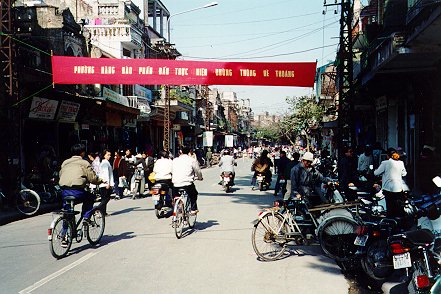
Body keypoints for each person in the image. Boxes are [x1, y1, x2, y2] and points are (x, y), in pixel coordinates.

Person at [59, 143, 103, 221]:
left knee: (67, 212)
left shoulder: (65, 163)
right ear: (82, 153)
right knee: (90, 197)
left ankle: (64, 231)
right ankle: (86, 218)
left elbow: (61, 175)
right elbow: (92, 178)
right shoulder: (84, 163)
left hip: (64, 191)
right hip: (77, 191)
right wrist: (100, 181)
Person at [374, 148, 408, 218]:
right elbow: (404, 174)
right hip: (398, 188)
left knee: (390, 207)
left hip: (388, 189)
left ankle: (391, 222)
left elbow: (376, 173)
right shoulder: (401, 163)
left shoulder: (385, 163)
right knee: (398, 206)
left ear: (387, 156)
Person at [172, 146, 203, 214]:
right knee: (194, 194)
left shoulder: (174, 160)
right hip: (187, 184)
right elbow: (198, 171)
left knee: (175, 196)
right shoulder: (192, 160)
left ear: (180, 151)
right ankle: (193, 209)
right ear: (189, 151)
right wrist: (200, 178)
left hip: (175, 184)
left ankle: (177, 206)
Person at [98, 149, 114, 216]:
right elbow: (106, 174)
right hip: (105, 184)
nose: (109, 156)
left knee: (104, 199)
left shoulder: (105, 162)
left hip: (104, 183)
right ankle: (98, 209)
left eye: (110, 155)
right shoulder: (105, 163)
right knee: (106, 198)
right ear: (104, 155)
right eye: (108, 155)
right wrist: (108, 184)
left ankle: (103, 212)